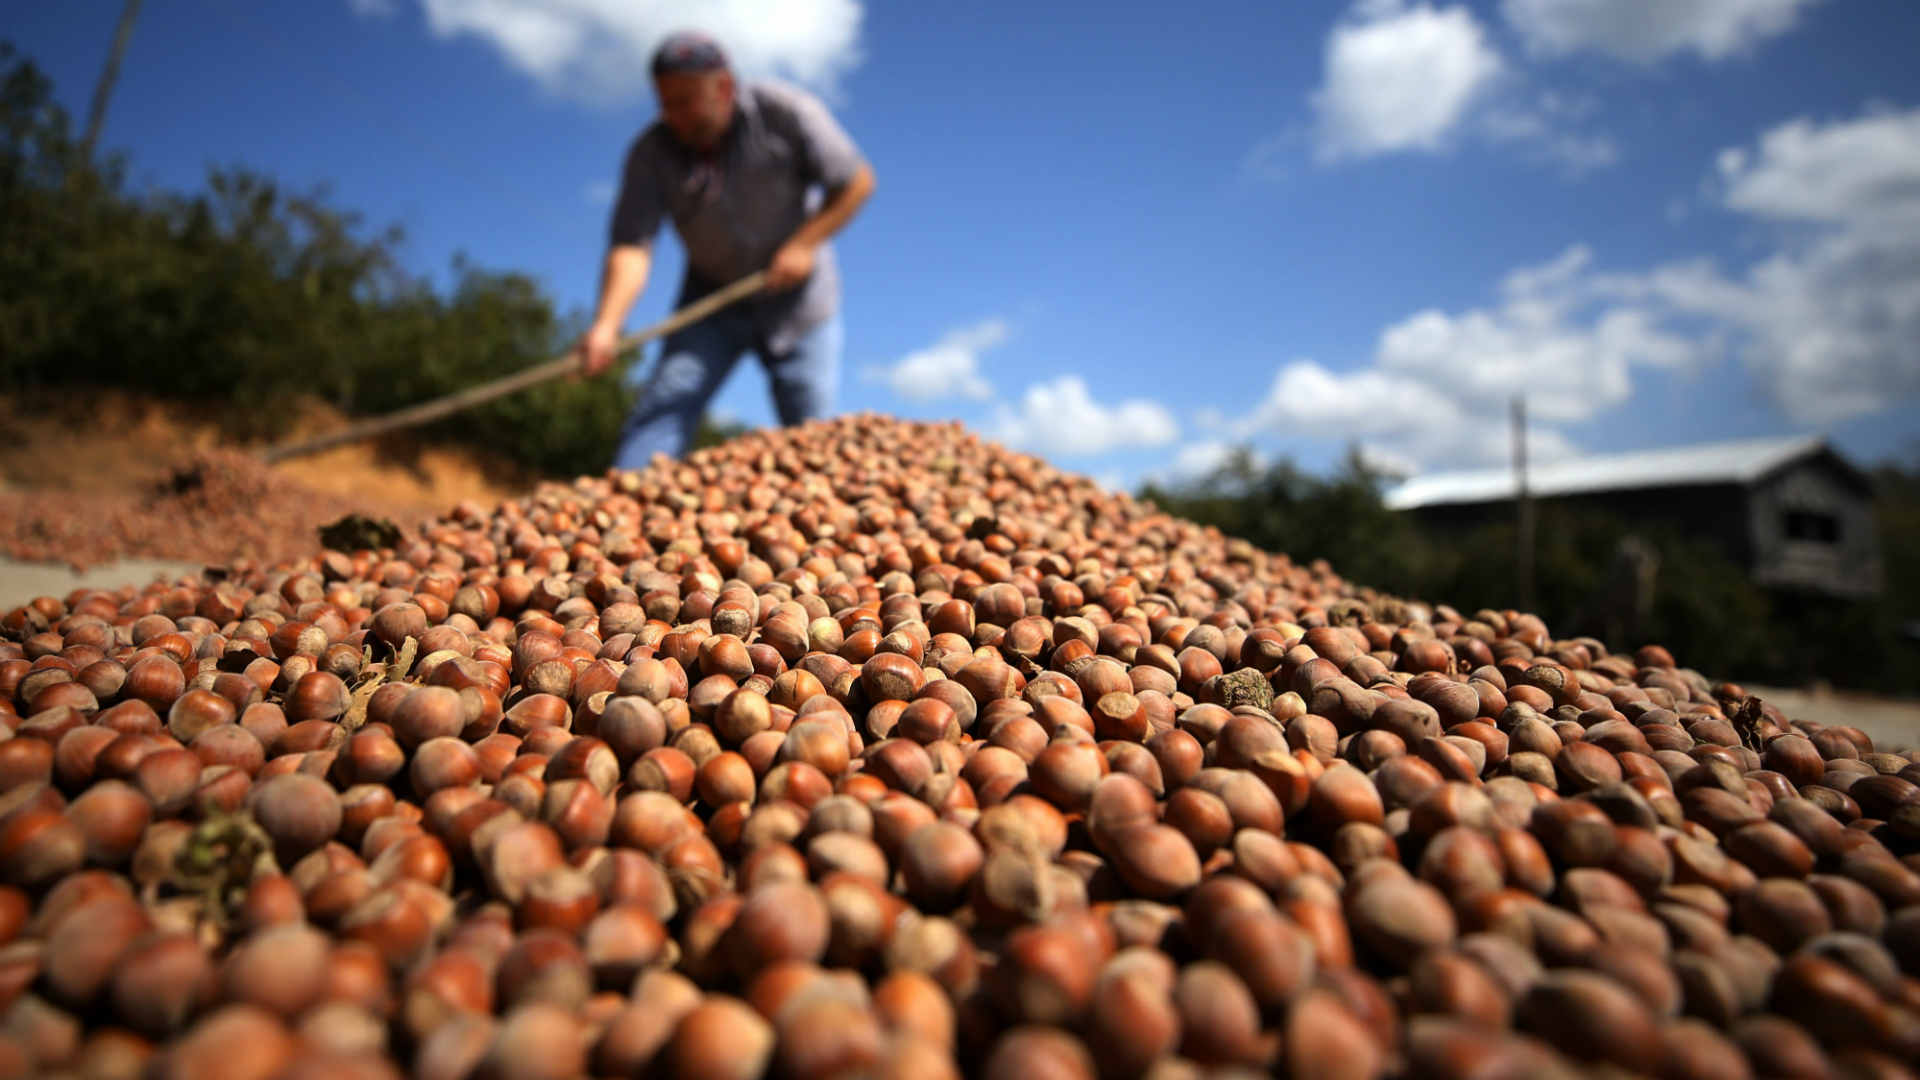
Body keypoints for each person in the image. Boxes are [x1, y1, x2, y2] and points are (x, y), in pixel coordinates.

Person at [578, 30, 876, 469]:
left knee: (812, 435)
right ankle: (623, 500)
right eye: (665, 102)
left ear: (724, 87)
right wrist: (606, 324)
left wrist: (804, 244)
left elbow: (855, 182)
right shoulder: (650, 154)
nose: (673, 115)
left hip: (800, 299)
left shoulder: (786, 112)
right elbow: (632, 247)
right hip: (712, 299)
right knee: (663, 407)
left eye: (685, 101)